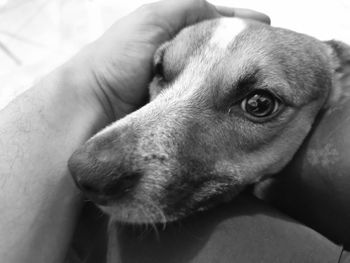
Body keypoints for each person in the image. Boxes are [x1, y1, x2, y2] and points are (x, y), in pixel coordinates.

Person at [0, 0, 348, 262]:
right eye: (164, 72)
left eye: (258, 103)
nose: (97, 161)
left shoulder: (335, 76)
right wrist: (94, 82)